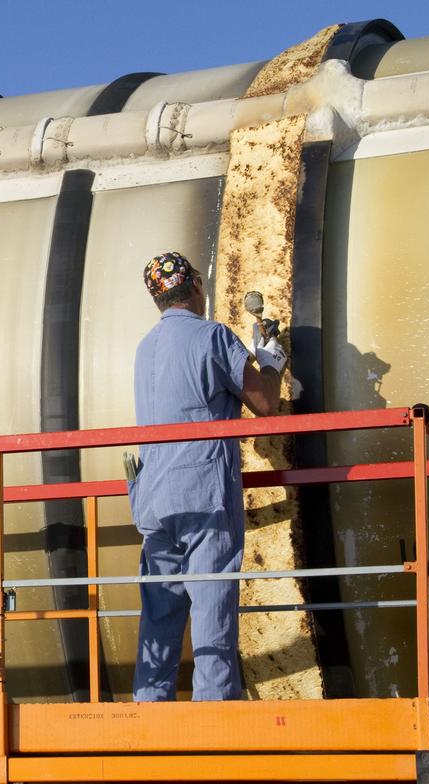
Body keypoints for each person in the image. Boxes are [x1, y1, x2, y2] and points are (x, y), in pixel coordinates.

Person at [128, 252, 285, 702]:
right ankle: (215, 720)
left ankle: (148, 713)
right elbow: (266, 404)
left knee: (159, 617)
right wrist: (269, 361)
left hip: (153, 498)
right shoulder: (212, 335)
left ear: (157, 298)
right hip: (203, 496)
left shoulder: (145, 347)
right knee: (212, 609)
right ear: (197, 284)